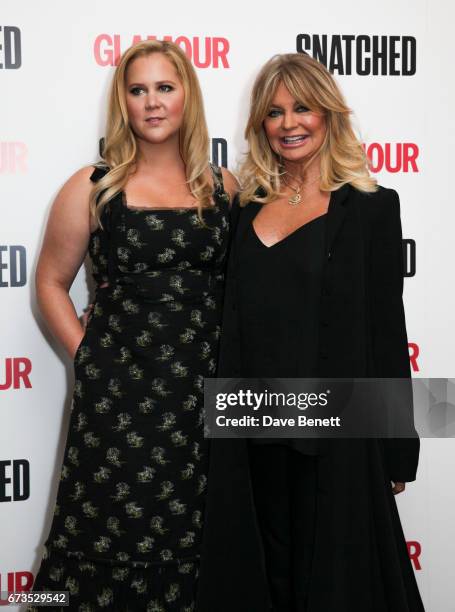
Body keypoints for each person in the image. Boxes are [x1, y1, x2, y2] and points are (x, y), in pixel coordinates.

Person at [197, 53, 424, 612]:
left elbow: (386, 329)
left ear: (328, 115)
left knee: (330, 585)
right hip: (250, 425)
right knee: (263, 581)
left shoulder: (370, 207)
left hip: (334, 430)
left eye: (303, 107)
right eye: (274, 112)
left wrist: (398, 448)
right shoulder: (245, 208)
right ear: (260, 125)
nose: (289, 123)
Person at [30, 39, 236, 612]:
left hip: (202, 398)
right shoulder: (93, 186)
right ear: (123, 101)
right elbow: (50, 283)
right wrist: (88, 357)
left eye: (164, 88)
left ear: (186, 96)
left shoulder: (226, 188)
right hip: (117, 398)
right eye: (138, 89)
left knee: (193, 533)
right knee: (97, 526)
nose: (152, 102)